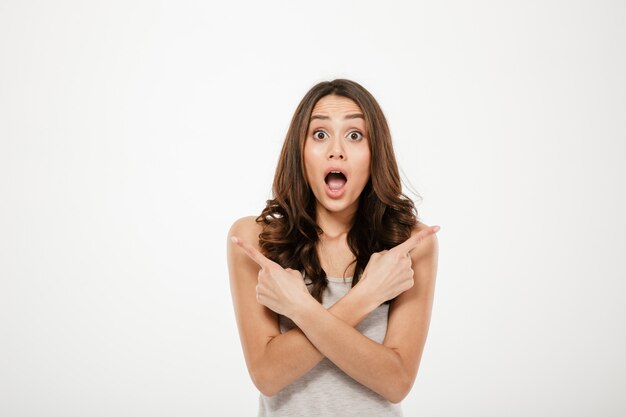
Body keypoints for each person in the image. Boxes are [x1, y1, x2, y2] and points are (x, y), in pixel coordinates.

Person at [227, 79, 440, 416]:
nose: (336, 150)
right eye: (320, 134)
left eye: (355, 135)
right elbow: (267, 375)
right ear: (300, 151)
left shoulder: (409, 246)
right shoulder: (255, 240)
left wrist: (299, 307)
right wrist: (367, 296)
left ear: (375, 153)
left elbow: (396, 382)